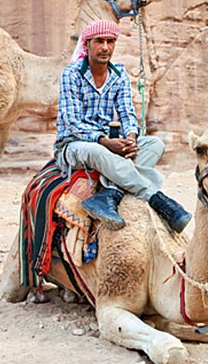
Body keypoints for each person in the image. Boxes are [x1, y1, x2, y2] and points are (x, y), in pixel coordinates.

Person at [54, 19, 191, 233]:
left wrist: (131, 138)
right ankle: (158, 199)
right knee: (96, 151)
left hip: (110, 143)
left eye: (110, 41)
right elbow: (72, 123)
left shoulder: (119, 76)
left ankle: (110, 194)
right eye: (99, 41)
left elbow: (127, 113)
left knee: (154, 144)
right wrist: (105, 142)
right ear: (87, 44)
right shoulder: (72, 74)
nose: (105, 47)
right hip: (75, 145)